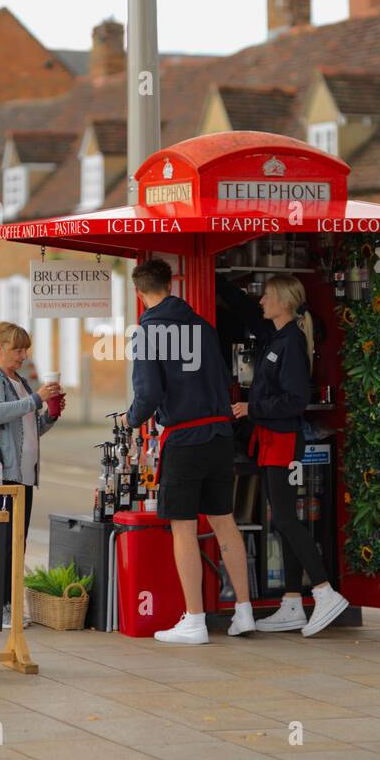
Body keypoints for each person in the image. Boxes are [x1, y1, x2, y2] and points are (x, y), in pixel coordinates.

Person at [123, 258, 253, 645]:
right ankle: (244, 611)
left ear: (138, 292)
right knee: (224, 521)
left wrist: (131, 420)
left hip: (183, 438)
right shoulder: (202, 326)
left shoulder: (147, 332)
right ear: (169, 284)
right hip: (219, 435)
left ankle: (194, 620)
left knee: (182, 527)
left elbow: (147, 394)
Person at [219, 274, 350, 636]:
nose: (262, 302)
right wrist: (223, 285)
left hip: (282, 439)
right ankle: (292, 602)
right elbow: (247, 310)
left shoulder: (290, 341)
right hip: (270, 438)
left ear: (284, 302)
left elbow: (295, 399)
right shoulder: (276, 336)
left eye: (267, 297)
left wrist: (251, 407)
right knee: (283, 520)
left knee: (288, 521)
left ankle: (324, 592)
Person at [0, 321, 63, 629]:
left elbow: (31, 429)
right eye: (18, 348)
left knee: (18, 542)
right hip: (1, 477)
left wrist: (50, 414)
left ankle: (9, 605)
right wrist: (37, 399)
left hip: (23, 476)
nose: (23, 354)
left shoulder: (20, 382)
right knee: (3, 543)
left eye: (25, 348)